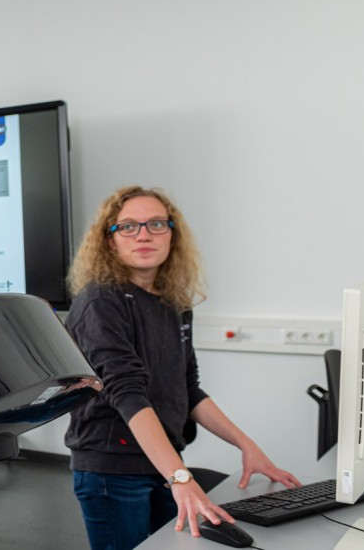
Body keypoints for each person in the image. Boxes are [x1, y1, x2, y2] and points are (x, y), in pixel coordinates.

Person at [63, 185, 297, 549]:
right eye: (128, 226)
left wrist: (246, 445)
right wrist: (180, 477)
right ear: (110, 240)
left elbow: (189, 389)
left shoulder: (174, 303)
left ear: (172, 234)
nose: (143, 234)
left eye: (156, 224)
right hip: (112, 468)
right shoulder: (99, 301)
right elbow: (126, 391)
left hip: (162, 463)